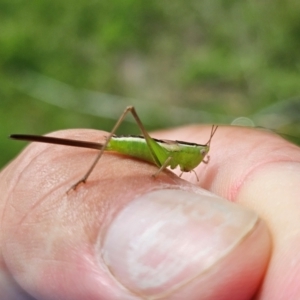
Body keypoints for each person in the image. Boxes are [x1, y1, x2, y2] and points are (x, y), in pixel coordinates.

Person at [0, 125, 299, 300]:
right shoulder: (182, 152)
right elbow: (170, 157)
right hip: (148, 148)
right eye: (202, 154)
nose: (202, 158)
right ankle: (83, 177)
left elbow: (181, 163)